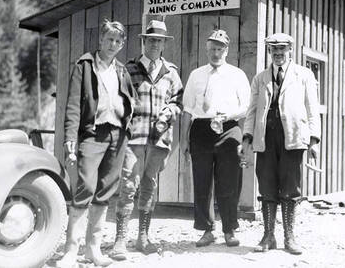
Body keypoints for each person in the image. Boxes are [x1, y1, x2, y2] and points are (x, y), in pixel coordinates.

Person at [57, 20, 136, 267]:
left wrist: (128, 125)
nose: (113, 44)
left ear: (122, 44)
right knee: (84, 187)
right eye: (109, 39)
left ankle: (93, 249)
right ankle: (71, 250)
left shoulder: (121, 70)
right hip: (92, 134)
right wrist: (71, 138)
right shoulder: (85, 65)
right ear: (100, 40)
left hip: (117, 135)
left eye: (117, 41)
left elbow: (130, 99)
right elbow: (72, 106)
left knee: (105, 191)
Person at [110, 20, 183, 260]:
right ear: (144, 41)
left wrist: (169, 112)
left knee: (149, 185)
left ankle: (143, 236)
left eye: (159, 41)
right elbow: (118, 100)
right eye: (151, 40)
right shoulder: (128, 69)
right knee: (129, 185)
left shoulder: (171, 72)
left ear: (164, 44)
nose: (155, 44)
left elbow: (178, 101)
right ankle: (120, 239)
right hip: (134, 137)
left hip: (159, 139)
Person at [242, 33, 321, 255]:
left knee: (290, 187)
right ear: (269, 52)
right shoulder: (260, 78)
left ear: (290, 51)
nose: (278, 54)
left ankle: (289, 236)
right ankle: (268, 236)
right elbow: (252, 110)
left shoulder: (304, 75)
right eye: (274, 50)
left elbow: (312, 109)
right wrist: (247, 137)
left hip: (293, 137)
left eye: (282, 50)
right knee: (267, 184)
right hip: (265, 137)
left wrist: (314, 140)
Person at [180, 29, 251, 247]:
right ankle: (206, 230)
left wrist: (228, 115)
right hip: (201, 130)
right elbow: (187, 110)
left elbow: (247, 107)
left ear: (227, 50)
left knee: (229, 181)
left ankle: (229, 229)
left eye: (220, 49)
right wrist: (183, 140)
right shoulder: (196, 75)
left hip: (229, 128)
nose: (216, 53)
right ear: (206, 49)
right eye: (212, 49)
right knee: (202, 182)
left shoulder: (237, 74)